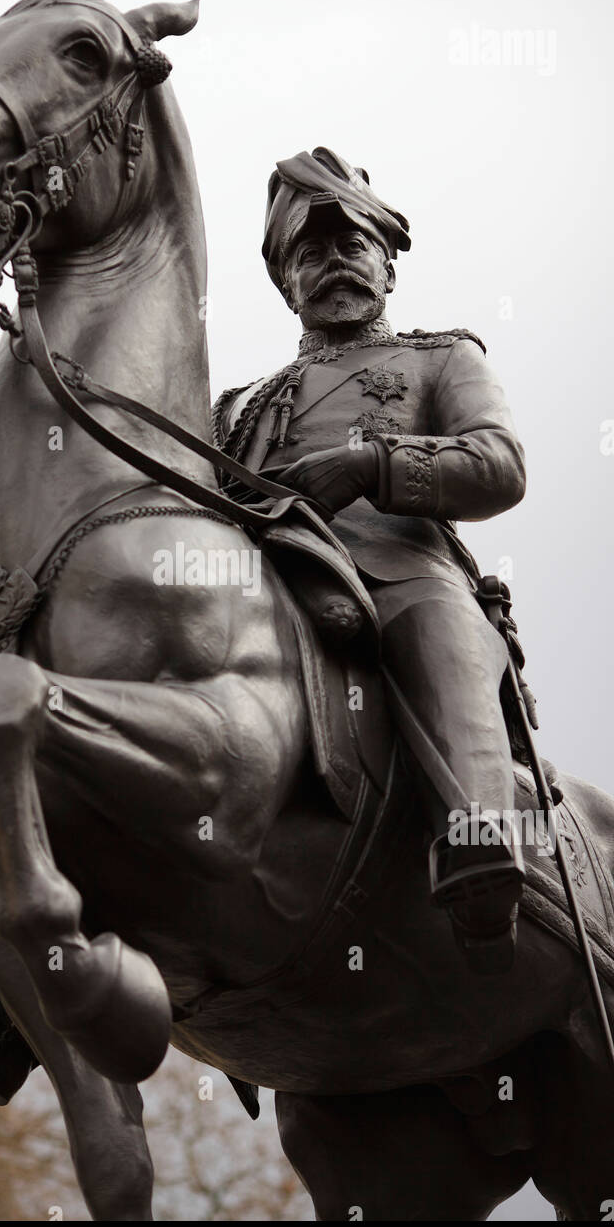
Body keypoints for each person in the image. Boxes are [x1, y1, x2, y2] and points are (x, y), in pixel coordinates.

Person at [214, 146, 528, 975]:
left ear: (387, 267)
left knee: (435, 621)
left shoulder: (443, 358)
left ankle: (479, 832)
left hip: (397, 576)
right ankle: (4, 971)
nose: (335, 263)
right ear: (287, 283)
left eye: (353, 245)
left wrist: (369, 466)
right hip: (266, 585)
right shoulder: (236, 408)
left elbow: (499, 466)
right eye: (311, 253)